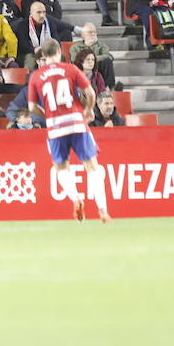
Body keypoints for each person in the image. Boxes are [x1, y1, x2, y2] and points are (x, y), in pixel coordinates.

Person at [27, 39, 111, 223]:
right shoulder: (70, 69)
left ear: (43, 55)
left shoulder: (36, 76)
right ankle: (103, 211)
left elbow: (31, 106)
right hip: (76, 122)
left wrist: (47, 115)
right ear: (59, 51)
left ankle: (76, 198)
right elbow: (90, 92)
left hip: (56, 126)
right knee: (93, 168)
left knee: (62, 168)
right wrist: (88, 110)